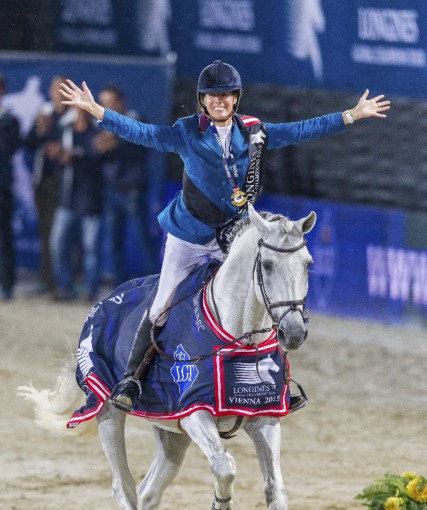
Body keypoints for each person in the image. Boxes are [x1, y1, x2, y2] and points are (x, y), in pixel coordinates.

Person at [59, 60, 390, 411]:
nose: (219, 101)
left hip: (231, 236)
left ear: (235, 98)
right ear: (203, 101)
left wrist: (351, 115)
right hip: (188, 235)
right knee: (161, 304)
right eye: (212, 96)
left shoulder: (255, 131)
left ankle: (280, 385)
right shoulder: (187, 131)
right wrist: (98, 111)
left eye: (226, 95)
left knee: (261, 298)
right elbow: (144, 133)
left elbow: (300, 130)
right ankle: (130, 380)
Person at [93, 84, 156, 286]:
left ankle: (155, 286)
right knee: (113, 243)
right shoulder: (102, 125)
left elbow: (140, 143)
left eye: (111, 102)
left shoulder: (135, 119)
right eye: (104, 103)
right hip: (112, 190)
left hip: (132, 191)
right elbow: (95, 150)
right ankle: (118, 289)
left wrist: (116, 143)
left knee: (142, 240)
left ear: (121, 102)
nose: (106, 106)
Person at [49, 108, 104, 302]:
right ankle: (65, 287)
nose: (79, 114)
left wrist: (76, 155)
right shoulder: (64, 131)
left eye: (83, 110)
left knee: (91, 248)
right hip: (67, 198)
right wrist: (56, 154)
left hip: (90, 200)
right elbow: (51, 151)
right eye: (76, 110)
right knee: (58, 243)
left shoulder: (97, 132)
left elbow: (98, 158)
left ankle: (91, 290)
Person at [24, 75, 69, 294]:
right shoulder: (45, 113)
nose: (56, 93)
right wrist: (41, 130)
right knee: (45, 232)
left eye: (61, 89)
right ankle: (48, 280)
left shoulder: (75, 113)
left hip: (67, 183)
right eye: (53, 89)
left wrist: (56, 139)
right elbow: (30, 142)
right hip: (44, 181)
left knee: (63, 234)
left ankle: (65, 280)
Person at [0, 74, 20, 301]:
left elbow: (7, 148)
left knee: (4, 236)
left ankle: (6, 285)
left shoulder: (9, 120)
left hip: (1, 186)